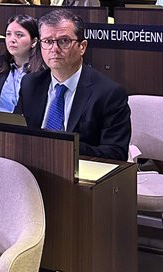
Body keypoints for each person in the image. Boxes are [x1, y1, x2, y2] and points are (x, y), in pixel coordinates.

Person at [19, 10, 131, 160]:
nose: (54, 49)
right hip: (33, 165)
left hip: (79, 169)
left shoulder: (109, 93)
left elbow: (115, 153)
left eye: (64, 41)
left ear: (82, 47)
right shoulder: (30, 84)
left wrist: (62, 147)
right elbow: (17, 133)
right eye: (47, 41)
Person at [0, 14, 43, 112]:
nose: (12, 40)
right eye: (8, 34)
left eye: (19, 35)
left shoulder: (43, 71)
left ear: (34, 42)